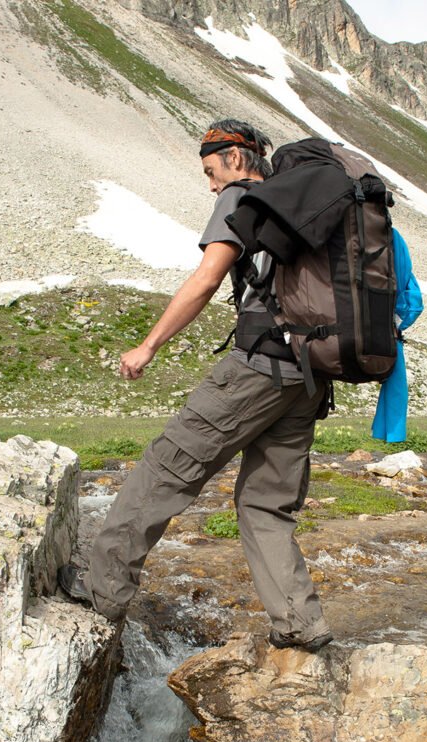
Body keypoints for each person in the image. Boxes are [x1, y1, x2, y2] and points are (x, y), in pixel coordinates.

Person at [66, 119, 333, 653]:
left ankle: (101, 592)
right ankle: (301, 624)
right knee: (265, 506)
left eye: (211, 171)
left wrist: (148, 345)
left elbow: (207, 278)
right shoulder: (312, 205)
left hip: (257, 367)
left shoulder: (243, 196)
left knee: (166, 470)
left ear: (237, 157)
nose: (212, 185)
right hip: (310, 373)